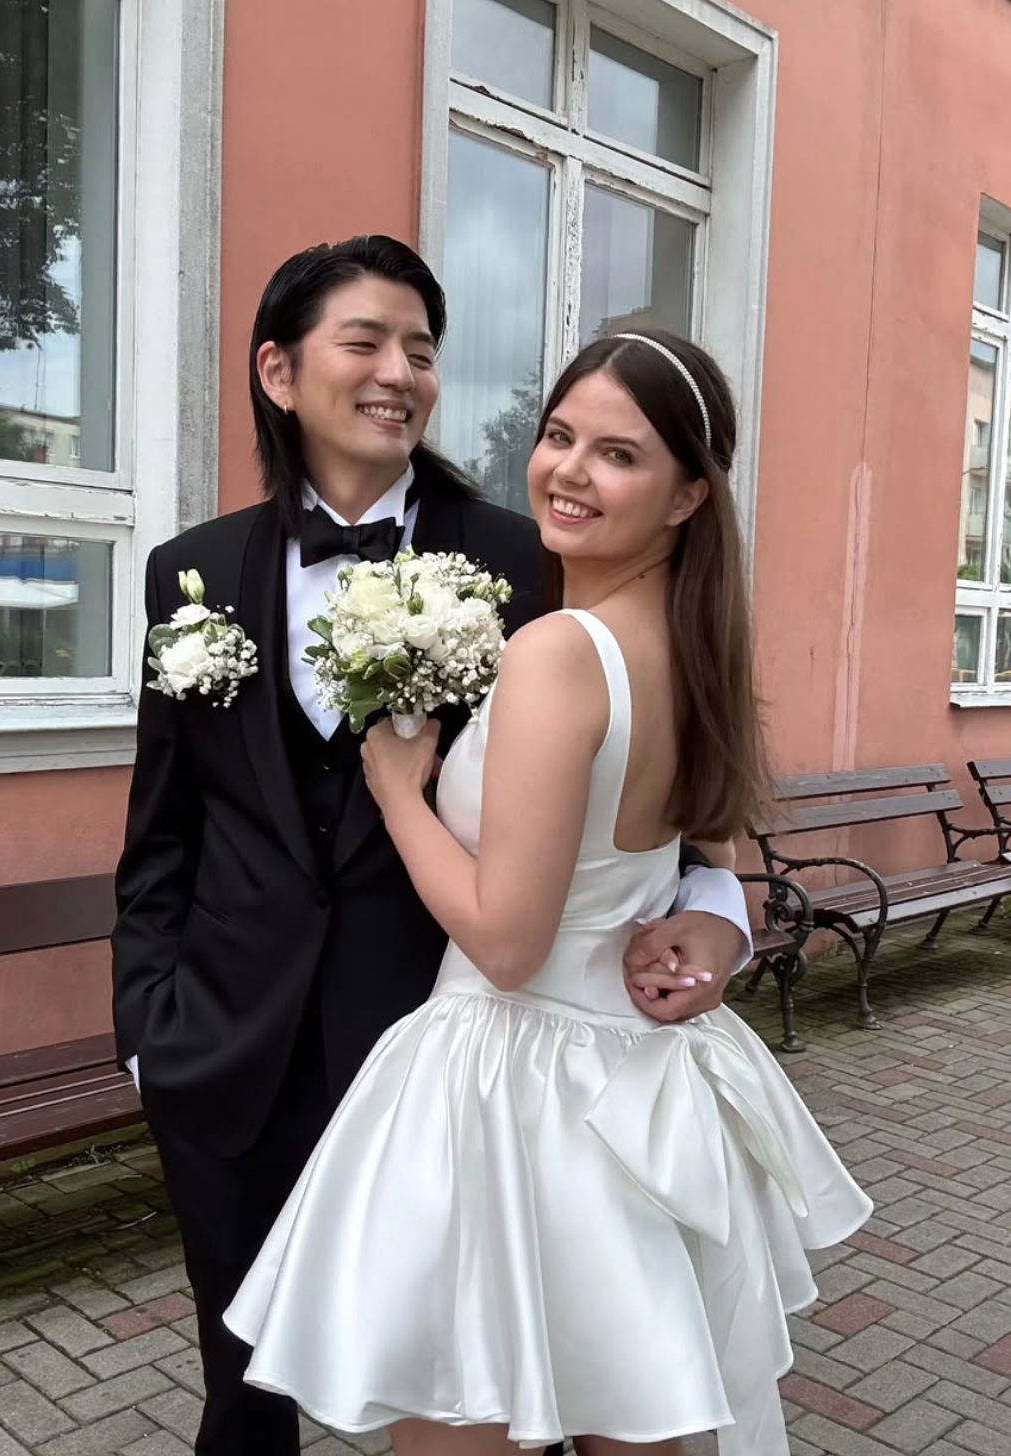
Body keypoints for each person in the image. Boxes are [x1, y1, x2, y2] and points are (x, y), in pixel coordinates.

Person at [111, 237, 755, 1456]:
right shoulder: (186, 571)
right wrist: (149, 1033)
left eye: (420, 349)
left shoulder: (536, 556)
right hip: (225, 1049)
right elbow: (162, 829)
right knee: (241, 1388)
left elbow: (667, 798)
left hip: (452, 1060)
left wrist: (717, 918)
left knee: (500, 1394)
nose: (399, 372)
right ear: (279, 371)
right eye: (365, 341)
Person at [225, 327, 872, 1456]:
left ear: (686, 496)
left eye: (617, 454)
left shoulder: (560, 652)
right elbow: (712, 856)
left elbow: (507, 940)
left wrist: (398, 793)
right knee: (644, 1416)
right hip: (640, 1087)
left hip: (511, 1086)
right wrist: (716, 923)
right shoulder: (693, 644)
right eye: (559, 435)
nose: (568, 471)